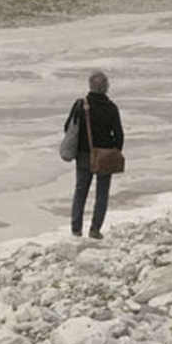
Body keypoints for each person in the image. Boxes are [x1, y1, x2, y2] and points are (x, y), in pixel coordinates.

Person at [66, 71, 123, 239]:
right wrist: (114, 151)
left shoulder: (80, 105)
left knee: (80, 191)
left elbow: (68, 129)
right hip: (104, 155)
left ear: (90, 86)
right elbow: (119, 135)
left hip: (83, 155)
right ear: (105, 87)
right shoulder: (111, 107)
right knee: (102, 193)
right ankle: (95, 229)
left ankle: (76, 230)